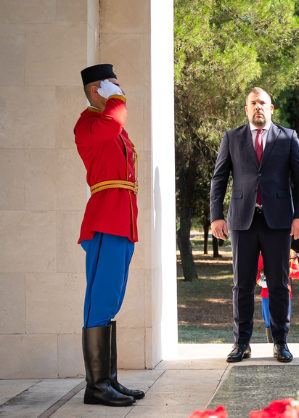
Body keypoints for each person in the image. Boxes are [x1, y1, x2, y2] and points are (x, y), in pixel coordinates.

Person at [210, 87, 299, 363]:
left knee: (278, 283)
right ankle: (241, 343)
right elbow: (219, 179)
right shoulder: (232, 137)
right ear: (246, 109)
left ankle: (280, 342)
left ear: (271, 108)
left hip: (278, 221)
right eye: (253, 103)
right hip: (242, 221)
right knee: (242, 285)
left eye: (262, 102)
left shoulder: (288, 137)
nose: (258, 107)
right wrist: (216, 216)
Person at [74, 64, 144, 406]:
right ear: (95, 90)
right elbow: (115, 121)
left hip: (122, 219)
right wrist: (115, 98)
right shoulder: (88, 124)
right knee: (100, 299)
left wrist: (114, 96)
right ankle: (96, 386)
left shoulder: (108, 124)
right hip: (105, 220)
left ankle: (108, 380)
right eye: (112, 85)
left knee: (112, 298)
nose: (120, 91)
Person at [256, 249, 299, 343]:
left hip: (284, 291)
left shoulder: (291, 253)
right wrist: (259, 281)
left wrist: (287, 269)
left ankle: (282, 345)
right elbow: (255, 269)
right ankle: (271, 344)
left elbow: (297, 273)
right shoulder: (265, 251)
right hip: (267, 292)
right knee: (268, 322)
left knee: (284, 320)